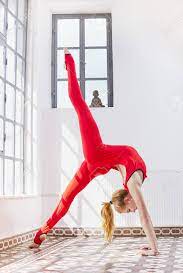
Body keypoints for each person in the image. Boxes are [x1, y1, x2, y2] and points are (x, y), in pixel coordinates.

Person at [29, 49, 159, 256]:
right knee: (80, 105)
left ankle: (39, 236)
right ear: (128, 199)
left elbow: (123, 164)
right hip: (97, 155)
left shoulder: (134, 180)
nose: (134, 211)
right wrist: (154, 250)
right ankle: (69, 62)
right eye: (130, 210)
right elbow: (145, 216)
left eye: (129, 211)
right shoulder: (134, 184)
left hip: (97, 164)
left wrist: (152, 247)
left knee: (66, 198)